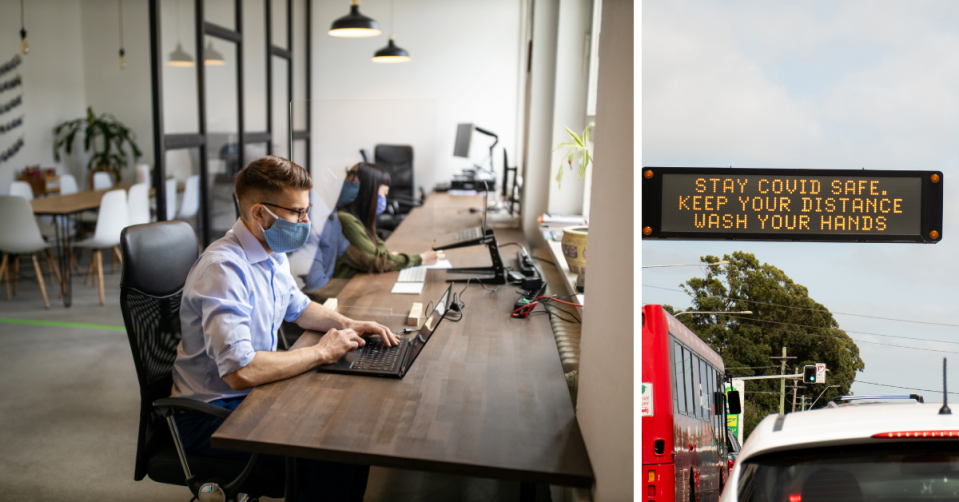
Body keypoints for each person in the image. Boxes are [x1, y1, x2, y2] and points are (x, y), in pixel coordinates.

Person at [171, 155, 399, 501]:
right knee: (332, 452)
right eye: (297, 213)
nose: (306, 221)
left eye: (306, 211)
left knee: (352, 435)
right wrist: (321, 351)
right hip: (211, 415)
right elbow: (240, 372)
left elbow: (299, 307)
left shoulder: (270, 249)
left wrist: (350, 324)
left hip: (250, 395)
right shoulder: (223, 270)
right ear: (260, 213)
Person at [333, 162, 444, 279]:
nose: (384, 199)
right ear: (369, 192)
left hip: (358, 278)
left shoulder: (359, 218)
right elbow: (380, 261)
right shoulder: (345, 220)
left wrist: (386, 257)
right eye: (384, 193)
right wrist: (422, 259)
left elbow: (380, 250)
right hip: (341, 288)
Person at [296, 166, 360, 302]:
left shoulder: (329, 207)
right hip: (306, 306)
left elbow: (344, 249)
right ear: (326, 175)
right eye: (350, 174)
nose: (356, 182)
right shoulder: (305, 216)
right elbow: (317, 287)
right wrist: (364, 291)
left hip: (323, 298)